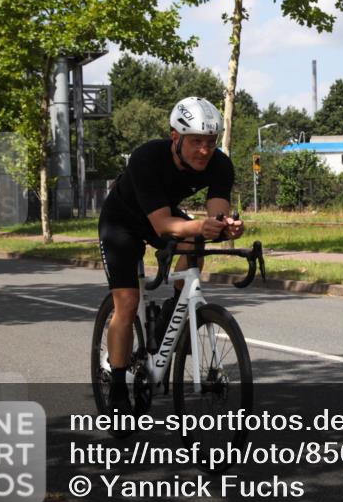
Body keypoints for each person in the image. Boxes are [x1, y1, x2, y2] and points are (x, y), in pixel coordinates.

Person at [98, 97, 244, 414]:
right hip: (122, 222)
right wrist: (198, 226)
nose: (204, 150)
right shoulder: (146, 158)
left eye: (210, 142)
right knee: (127, 302)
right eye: (196, 142)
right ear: (175, 137)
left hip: (161, 214)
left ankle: (173, 310)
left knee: (197, 240)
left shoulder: (220, 164)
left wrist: (226, 226)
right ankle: (119, 386)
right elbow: (163, 224)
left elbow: (217, 215)